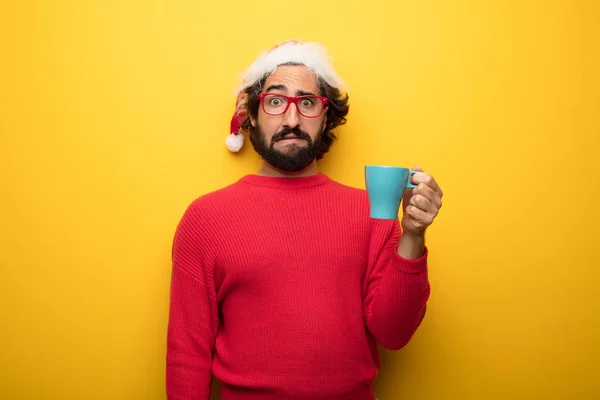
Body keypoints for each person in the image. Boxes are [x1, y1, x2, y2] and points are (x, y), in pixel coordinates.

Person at [166, 40, 443, 400]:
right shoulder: (206, 218)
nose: (292, 120)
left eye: (308, 103)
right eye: (276, 102)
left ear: (325, 116)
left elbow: (394, 333)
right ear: (251, 113)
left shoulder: (373, 212)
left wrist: (412, 234)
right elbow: (187, 354)